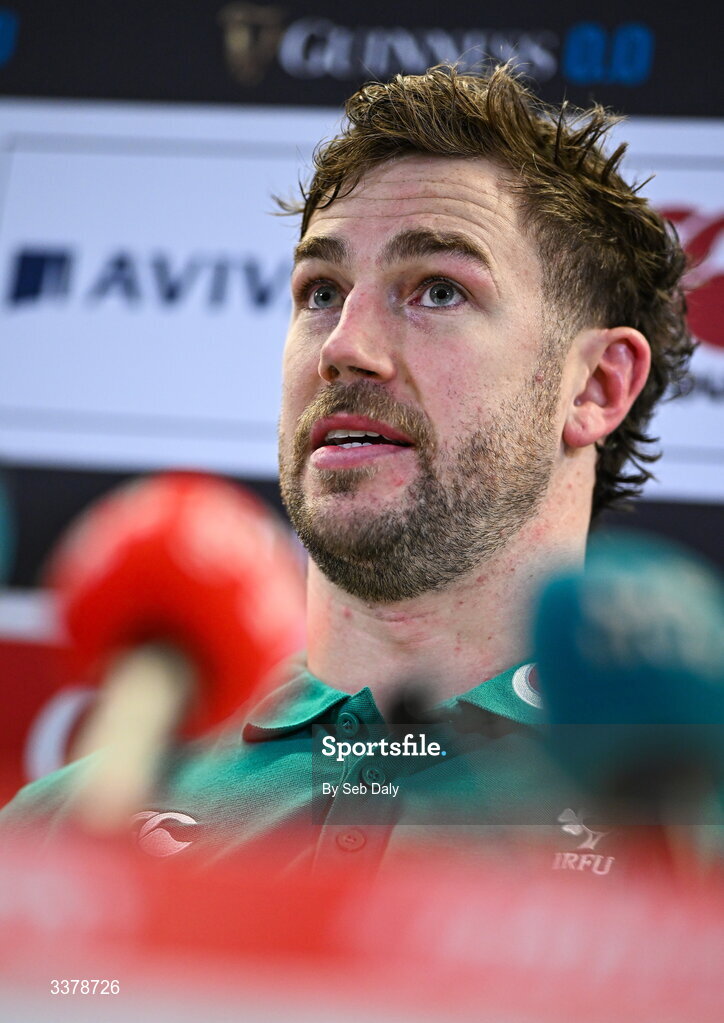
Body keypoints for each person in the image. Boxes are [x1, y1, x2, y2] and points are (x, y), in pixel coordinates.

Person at [0, 64, 696, 874]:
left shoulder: (690, 827)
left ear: (596, 385)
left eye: (438, 290)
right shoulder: (59, 829)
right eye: (322, 291)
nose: (343, 349)